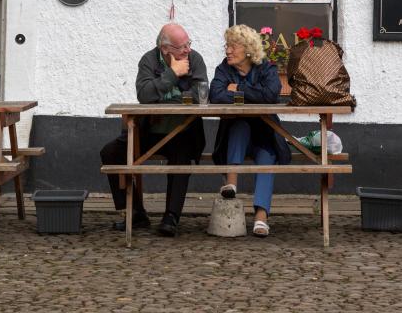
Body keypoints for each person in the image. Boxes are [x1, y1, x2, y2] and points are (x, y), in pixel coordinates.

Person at [100, 23, 207, 237]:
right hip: (150, 129)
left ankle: (171, 217)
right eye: (181, 47)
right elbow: (145, 95)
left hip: (183, 129)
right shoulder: (148, 60)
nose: (187, 50)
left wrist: (165, 99)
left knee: (181, 155)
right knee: (111, 153)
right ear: (165, 49)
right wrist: (172, 74)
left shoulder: (195, 60)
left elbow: (200, 96)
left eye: (188, 44)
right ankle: (135, 213)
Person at [209, 24, 290, 237]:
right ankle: (232, 184)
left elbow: (271, 95)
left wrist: (238, 89)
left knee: (266, 159)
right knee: (240, 125)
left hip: (265, 133)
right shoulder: (223, 69)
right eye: (227, 46)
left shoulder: (266, 68)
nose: (227, 51)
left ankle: (261, 218)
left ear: (247, 49)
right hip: (235, 139)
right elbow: (215, 95)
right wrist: (253, 93)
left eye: (232, 46)